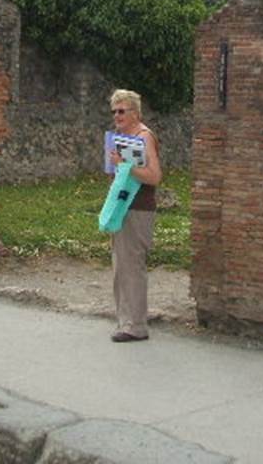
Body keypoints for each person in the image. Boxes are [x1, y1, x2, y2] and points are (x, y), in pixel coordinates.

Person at [105, 89, 162, 343]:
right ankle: (125, 319)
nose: (116, 115)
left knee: (132, 265)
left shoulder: (144, 137)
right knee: (121, 266)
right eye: (114, 111)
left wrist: (124, 166)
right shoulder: (121, 137)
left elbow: (154, 176)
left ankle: (136, 325)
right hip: (121, 207)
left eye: (121, 111)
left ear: (135, 113)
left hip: (138, 208)